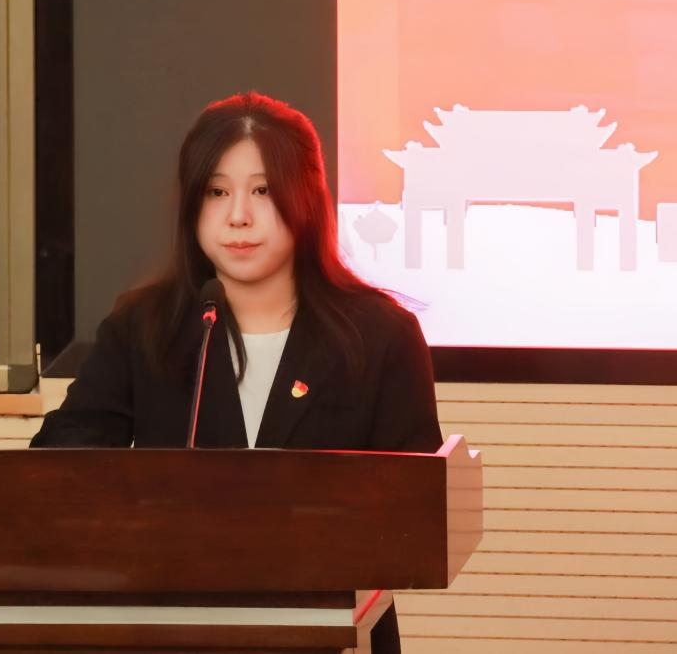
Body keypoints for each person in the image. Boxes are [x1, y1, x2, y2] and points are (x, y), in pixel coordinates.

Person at [32, 91, 441, 652]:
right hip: (177, 635)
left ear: (305, 198)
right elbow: (58, 467)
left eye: (263, 191)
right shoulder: (144, 326)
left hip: (333, 637)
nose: (238, 216)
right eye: (217, 191)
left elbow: (415, 512)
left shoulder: (379, 336)